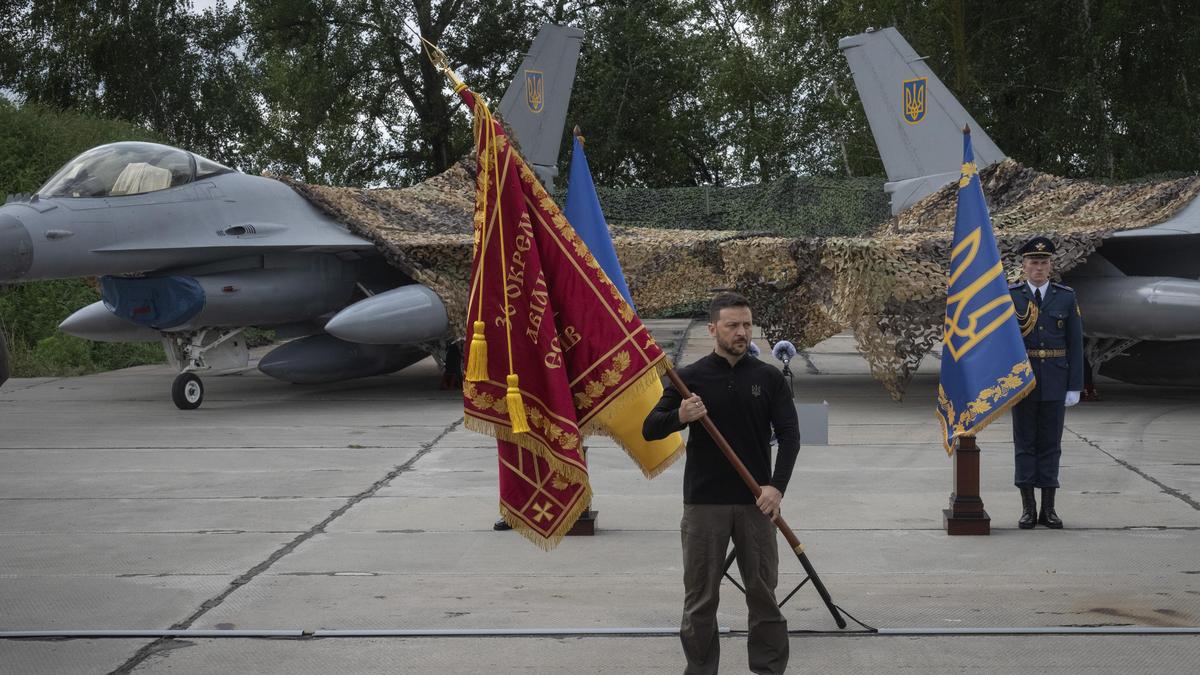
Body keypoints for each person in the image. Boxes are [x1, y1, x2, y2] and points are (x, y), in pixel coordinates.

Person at [643, 292, 800, 675]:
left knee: (763, 596)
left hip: (756, 502)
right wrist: (680, 415)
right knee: (700, 599)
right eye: (732, 325)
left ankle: (768, 669)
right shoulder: (688, 378)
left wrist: (776, 487)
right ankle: (700, 670)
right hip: (704, 504)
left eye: (747, 325)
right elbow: (650, 428)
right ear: (713, 329)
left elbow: (790, 436)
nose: (741, 332)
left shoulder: (768, 377)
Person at [1010, 236, 1083, 529]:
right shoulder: (1011, 296)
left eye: (1043, 262)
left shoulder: (1065, 297)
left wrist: (1075, 385)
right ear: (1024, 265)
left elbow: (1075, 343)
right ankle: (1028, 508)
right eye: (1033, 262)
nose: (1038, 268)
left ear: (1051, 266)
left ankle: (1049, 509)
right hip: (1023, 381)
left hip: (1055, 379)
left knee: (1051, 445)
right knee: (1025, 444)